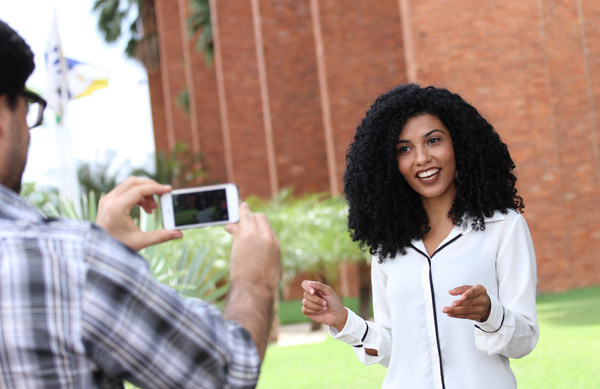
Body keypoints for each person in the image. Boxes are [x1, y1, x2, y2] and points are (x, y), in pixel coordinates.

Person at [0, 19, 281, 388]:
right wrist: (253, 283)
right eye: (29, 110)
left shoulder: (69, 260)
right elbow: (226, 372)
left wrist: (104, 254)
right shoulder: (67, 261)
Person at [301, 84, 539, 388]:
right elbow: (392, 350)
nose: (422, 158)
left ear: (460, 143)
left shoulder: (503, 226)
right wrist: (341, 320)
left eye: (434, 140)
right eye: (405, 149)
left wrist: (491, 313)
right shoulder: (387, 242)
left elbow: (524, 340)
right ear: (389, 163)